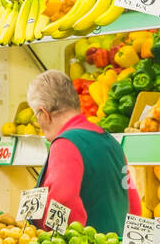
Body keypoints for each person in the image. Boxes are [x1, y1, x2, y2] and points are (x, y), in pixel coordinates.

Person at [27, 70, 140, 235]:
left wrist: (63, 238)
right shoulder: (110, 141)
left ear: (45, 114)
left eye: (36, 115)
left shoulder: (65, 143)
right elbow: (133, 201)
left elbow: (62, 200)